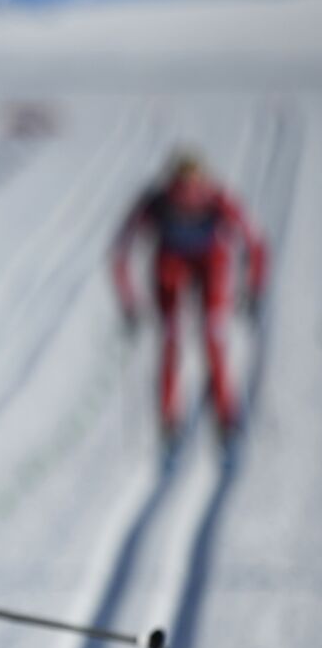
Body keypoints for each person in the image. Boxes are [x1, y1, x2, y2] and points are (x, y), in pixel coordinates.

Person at [111, 148, 268, 438]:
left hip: (210, 263)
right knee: (181, 337)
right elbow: (255, 243)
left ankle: (219, 414)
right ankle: (181, 417)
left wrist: (255, 286)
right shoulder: (158, 203)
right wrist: (128, 301)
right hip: (172, 265)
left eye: (193, 182)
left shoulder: (215, 200)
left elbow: (254, 242)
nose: (187, 192)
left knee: (209, 336)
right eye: (181, 184)